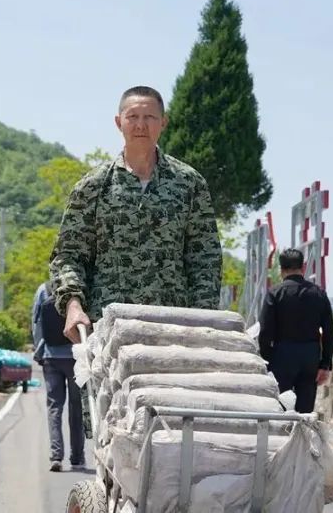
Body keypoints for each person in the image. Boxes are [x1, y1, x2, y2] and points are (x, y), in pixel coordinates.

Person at [48, 85, 222, 343]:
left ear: (163, 122)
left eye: (150, 117)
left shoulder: (189, 184)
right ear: (119, 123)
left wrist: (202, 321)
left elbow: (204, 258)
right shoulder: (93, 186)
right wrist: (73, 306)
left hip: (172, 328)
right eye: (133, 117)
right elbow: (69, 255)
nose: (141, 125)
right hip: (108, 329)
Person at [257, 248, 333, 414]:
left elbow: (264, 332)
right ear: (303, 267)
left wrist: (267, 359)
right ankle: (303, 439)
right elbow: (329, 331)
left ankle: (281, 438)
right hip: (310, 356)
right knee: (305, 412)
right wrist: (325, 364)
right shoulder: (319, 294)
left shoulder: (275, 293)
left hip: (281, 355)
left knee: (280, 408)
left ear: (281, 269)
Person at [31, 281, 85, 472]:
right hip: (75, 356)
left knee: (55, 407)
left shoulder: (44, 289)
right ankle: (77, 458)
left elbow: (36, 322)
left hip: (51, 357)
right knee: (76, 408)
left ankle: (56, 456)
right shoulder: (78, 289)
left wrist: (39, 351)